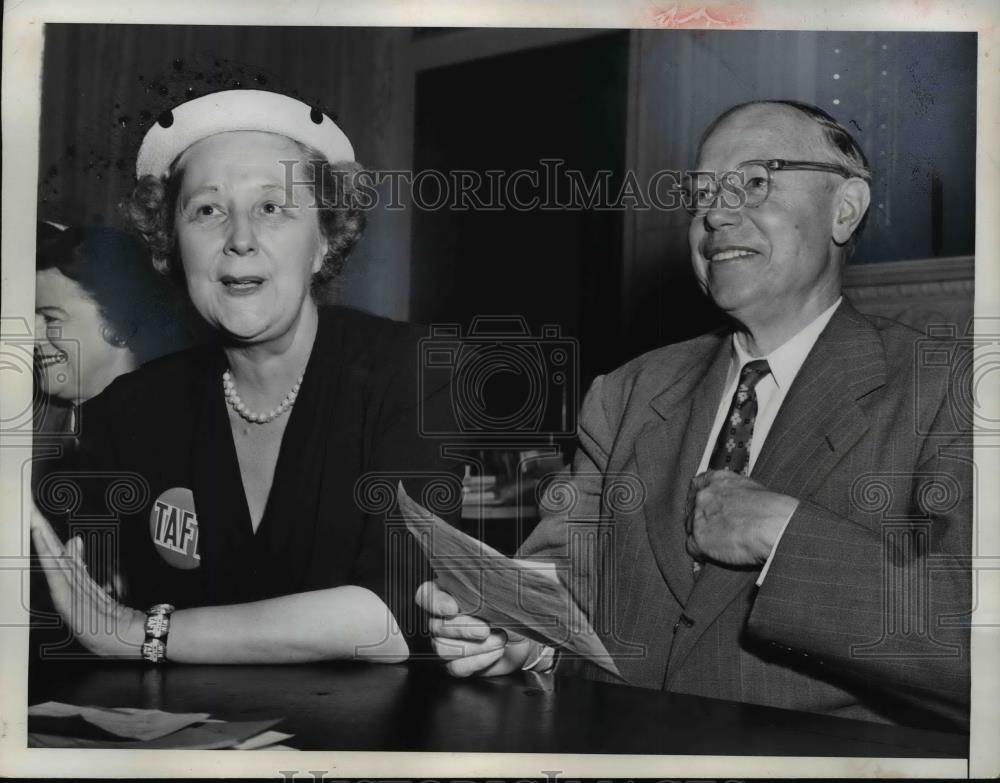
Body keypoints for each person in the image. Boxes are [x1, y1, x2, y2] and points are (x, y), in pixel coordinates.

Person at [418, 100, 971, 730]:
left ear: (844, 209)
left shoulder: (946, 388)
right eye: (701, 193)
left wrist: (785, 535)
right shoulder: (626, 392)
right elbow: (565, 582)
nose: (716, 213)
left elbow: (973, 643)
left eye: (755, 181)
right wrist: (522, 634)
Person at [31, 89, 459, 666]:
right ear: (172, 247)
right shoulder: (130, 410)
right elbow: (44, 565)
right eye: (206, 210)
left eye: (272, 207)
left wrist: (144, 632)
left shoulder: (409, 369)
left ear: (324, 240)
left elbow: (393, 616)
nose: (239, 237)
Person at [34, 220, 201, 434]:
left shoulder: (174, 433)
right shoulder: (35, 428)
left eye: (50, 318)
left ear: (119, 323)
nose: (33, 338)